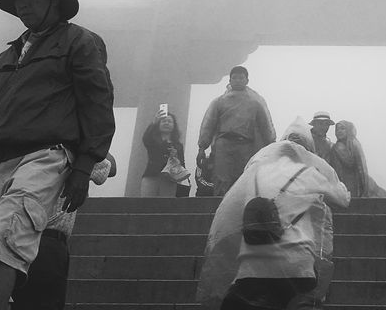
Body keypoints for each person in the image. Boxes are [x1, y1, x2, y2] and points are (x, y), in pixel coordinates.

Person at [0, 0, 116, 310]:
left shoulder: (78, 42)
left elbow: (97, 104)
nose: (22, 4)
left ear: (54, 1)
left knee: (5, 232)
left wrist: (84, 166)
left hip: (45, 154)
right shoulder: (6, 55)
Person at [196, 120, 351, 310]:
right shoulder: (308, 172)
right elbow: (342, 199)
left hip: (252, 264)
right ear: (307, 150)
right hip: (298, 265)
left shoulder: (255, 171)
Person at [10, 154, 115, 310]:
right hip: (47, 244)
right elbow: (110, 167)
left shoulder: (23, 148)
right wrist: (91, 138)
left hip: (12, 236)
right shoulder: (70, 149)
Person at [198, 65, 275, 195]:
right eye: (234, 78)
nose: (238, 80)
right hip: (224, 143)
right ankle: (219, 207)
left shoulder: (256, 102)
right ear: (230, 81)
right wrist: (202, 147)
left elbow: (265, 126)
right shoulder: (219, 102)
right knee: (221, 177)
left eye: (241, 78)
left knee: (244, 177)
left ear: (247, 81)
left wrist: (271, 146)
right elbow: (208, 124)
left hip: (246, 145)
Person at [326, 120, 386, 199]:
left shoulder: (354, 144)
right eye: (337, 129)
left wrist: (364, 188)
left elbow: (362, 168)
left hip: (356, 184)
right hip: (343, 184)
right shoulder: (336, 147)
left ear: (349, 130)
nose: (339, 131)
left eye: (342, 128)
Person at [139, 108, 190, 197]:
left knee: (166, 206)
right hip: (151, 176)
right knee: (146, 205)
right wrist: (153, 122)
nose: (166, 123)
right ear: (158, 125)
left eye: (169, 121)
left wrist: (180, 174)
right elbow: (146, 138)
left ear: (174, 126)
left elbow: (182, 163)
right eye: (163, 121)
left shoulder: (178, 145)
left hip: (170, 179)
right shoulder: (152, 140)